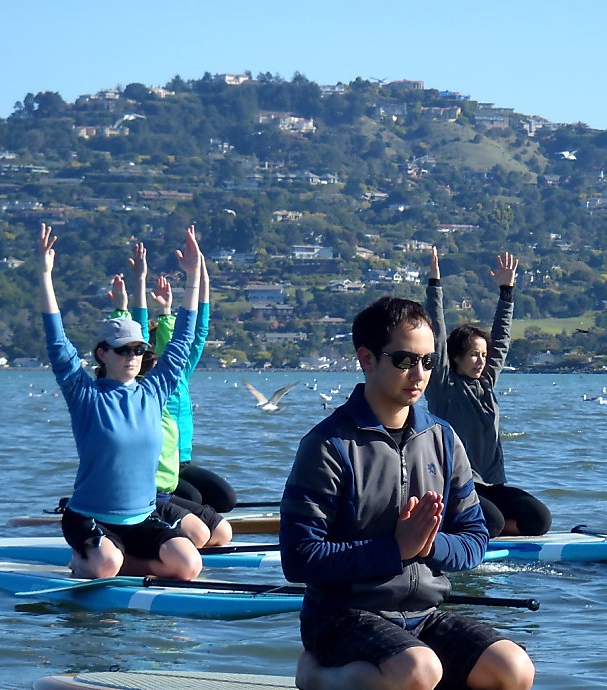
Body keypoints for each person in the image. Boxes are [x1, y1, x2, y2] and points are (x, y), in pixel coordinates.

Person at [279, 296, 535, 690]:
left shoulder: (444, 440)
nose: (419, 373)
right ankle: (315, 674)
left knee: (514, 668)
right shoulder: (328, 446)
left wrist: (427, 546)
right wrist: (394, 549)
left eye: (429, 361)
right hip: (342, 615)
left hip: (424, 613)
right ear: (367, 360)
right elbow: (299, 559)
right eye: (404, 360)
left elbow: (475, 538)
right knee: (420, 670)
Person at [39, 222, 203, 580]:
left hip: (141, 518)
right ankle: (90, 561)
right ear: (102, 354)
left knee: (191, 565)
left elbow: (183, 341)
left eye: (139, 350)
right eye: (124, 350)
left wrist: (193, 276)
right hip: (89, 517)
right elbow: (57, 344)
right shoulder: (84, 395)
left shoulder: (154, 391)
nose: (133, 356)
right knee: (105, 565)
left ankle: (113, 564)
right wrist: (46, 275)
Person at [424, 248, 551, 538]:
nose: (481, 361)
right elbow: (437, 334)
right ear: (455, 357)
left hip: (492, 484)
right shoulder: (443, 386)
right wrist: (435, 285)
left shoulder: (486, 383)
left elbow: (502, 339)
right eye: (473, 355)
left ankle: (480, 529)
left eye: (483, 355)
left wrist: (507, 292)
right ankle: (462, 527)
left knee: (539, 520)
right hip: (456, 485)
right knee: (490, 522)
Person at [108, 254, 232, 548]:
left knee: (225, 498)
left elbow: (196, 332)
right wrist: (135, 289)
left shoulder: (180, 372)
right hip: (153, 472)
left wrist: (201, 277)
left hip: (179, 463)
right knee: (192, 498)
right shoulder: (142, 386)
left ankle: (187, 519)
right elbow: (136, 331)